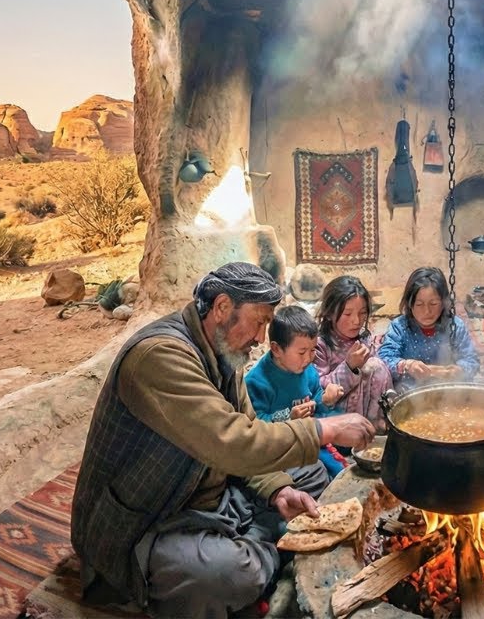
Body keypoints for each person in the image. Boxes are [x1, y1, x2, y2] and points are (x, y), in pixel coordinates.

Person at [71, 262, 376, 618]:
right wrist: (327, 429)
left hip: (209, 494)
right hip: (148, 522)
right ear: (221, 309)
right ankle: (266, 542)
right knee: (226, 575)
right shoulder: (159, 357)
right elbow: (233, 443)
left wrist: (278, 490)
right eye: (259, 322)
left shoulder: (224, 354)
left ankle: (261, 535)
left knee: (307, 474)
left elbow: (246, 427)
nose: (262, 338)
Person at [244, 305, 348, 477]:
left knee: (339, 472)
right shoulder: (256, 382)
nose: (308, 358)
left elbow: (316, 407)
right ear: (276, 349)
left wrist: (326, 400)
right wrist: (289, 418)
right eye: (301, 352)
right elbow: (255, 427)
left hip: (308, 440)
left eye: (313, 350)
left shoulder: (307, 371)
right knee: (316, 476)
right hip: (278, 450)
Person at [377, 266, 480, 392]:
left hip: (448, 391)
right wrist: (407, 365)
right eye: (419, 304)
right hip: (409, 392)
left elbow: (471, 360)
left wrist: (456, 371)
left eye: (433, 304)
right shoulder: (399, 327)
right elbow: (384, 358)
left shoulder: (455, 326)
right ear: (409, 304)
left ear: (444, 303)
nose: (427, 311)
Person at [312, 275, 394, 431]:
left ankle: (380, 424)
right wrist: (349, 367)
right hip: (335, 419)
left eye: (362, 313)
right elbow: (317, 389)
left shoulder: (365, 338)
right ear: (329, 314)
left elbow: (379, 378)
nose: (356, 321)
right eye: (347, 314)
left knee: (377, 366)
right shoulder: (319, 346)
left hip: (370, 416)